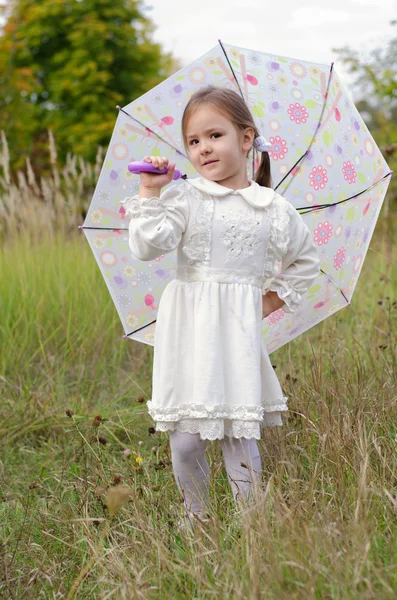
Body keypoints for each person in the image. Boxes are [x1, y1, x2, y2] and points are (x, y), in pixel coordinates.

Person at [121, 85, 321, 526]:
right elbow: (146, 246)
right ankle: (197, 516)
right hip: (189, 329)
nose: (203, 148)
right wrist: (151, 193)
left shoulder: (273, 208)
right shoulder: (185, 196)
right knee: (187, 436)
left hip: (236, 332)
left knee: (238, 430)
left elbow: (307, 260)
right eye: (193, 141)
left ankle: (252, 522)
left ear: (246, 139)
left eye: (215, 136)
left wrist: (270, 298)